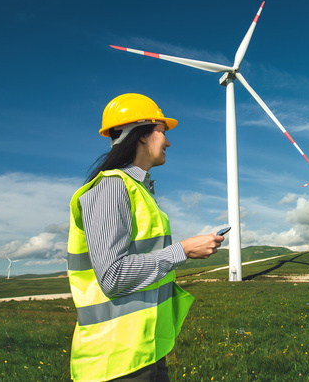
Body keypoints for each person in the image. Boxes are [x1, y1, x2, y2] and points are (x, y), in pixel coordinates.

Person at [67, 93, 224, 381]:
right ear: (140, 135)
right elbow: (112, 276)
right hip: (117, 361)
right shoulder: (111, 188)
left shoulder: (137, 190)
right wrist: (183, 251)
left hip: (142, 350)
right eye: (162, 132)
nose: (168, 141)